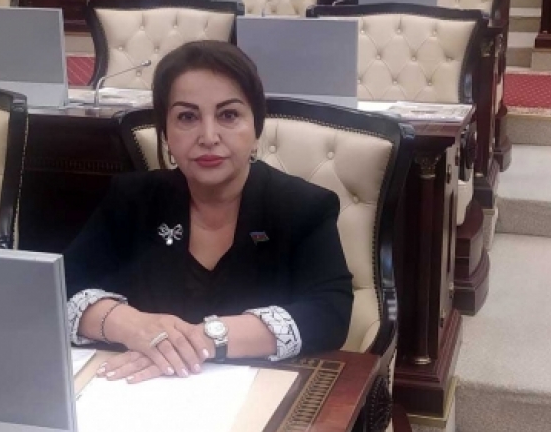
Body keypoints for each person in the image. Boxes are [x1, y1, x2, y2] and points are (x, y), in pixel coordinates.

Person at [64, 40, 354, 384]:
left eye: (228, 115)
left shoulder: (303, 206)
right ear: (166, 134)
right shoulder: (132, 199)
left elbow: (329, 313)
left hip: (259, 390)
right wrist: (134, 326)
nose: (208, 136)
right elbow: (60, 288)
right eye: (187, 117)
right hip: (140, 390)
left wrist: (204, 340)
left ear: (256, 128)